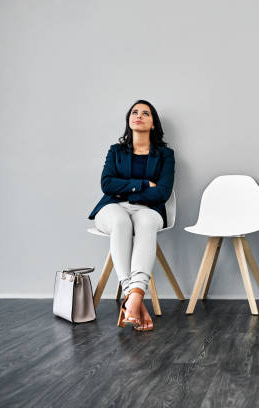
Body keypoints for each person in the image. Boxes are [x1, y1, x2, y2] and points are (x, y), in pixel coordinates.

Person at [88, 100, 174, 331]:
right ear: (129, 120)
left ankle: (132, 298)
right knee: (120, 220)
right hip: (111, 209)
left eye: (145, 113)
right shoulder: (116, 151)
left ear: (153, 123)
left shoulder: (165, 155)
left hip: (148, 210)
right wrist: (143, 184)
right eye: (135, 112)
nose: (139, 116)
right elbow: (107, 184)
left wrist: (128, 193)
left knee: (145, 221)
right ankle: (135, 297)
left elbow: (163, 191)